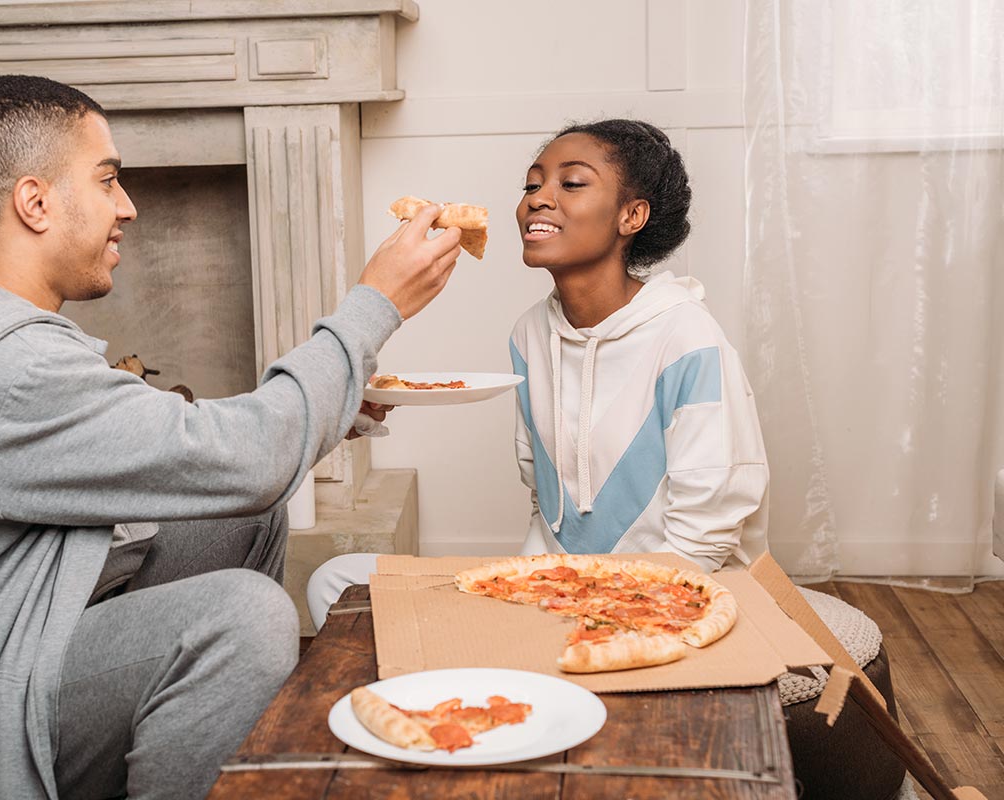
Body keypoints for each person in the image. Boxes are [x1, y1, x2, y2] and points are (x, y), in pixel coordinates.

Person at [0, 74, 462, 800]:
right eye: (108, 180)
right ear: (34, 203)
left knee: (239, 509)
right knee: (242, 618)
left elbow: (208, 462)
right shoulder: (11, 368)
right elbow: (244, 457)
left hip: (0, 656)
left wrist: (327, 408)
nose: (127, 206)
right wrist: (373, 306)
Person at [306, 118, 768, 631]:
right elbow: (544, 509)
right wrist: (520, 593)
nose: (537, 200)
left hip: (671, 602)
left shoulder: (688, 339)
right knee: (335, 579)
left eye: (571, 183)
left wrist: (589, 611)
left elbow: (703, 542)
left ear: (631, 215)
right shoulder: (529, 335)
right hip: (554, 590)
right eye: (531, 185)